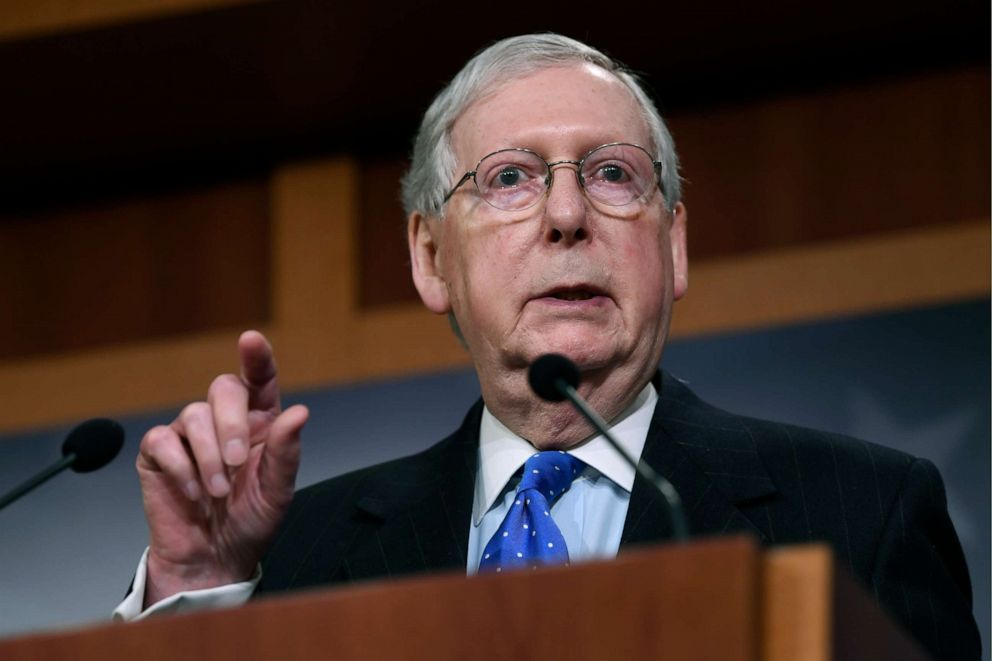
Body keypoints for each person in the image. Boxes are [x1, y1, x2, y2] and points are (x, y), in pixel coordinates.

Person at [115, 34, 980, 659]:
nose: (568, 216)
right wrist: (198, 581)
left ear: (672, 247)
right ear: (429, 258)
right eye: (509, 179)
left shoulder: (863, 513)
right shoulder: (301, 553)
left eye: (611, 173)